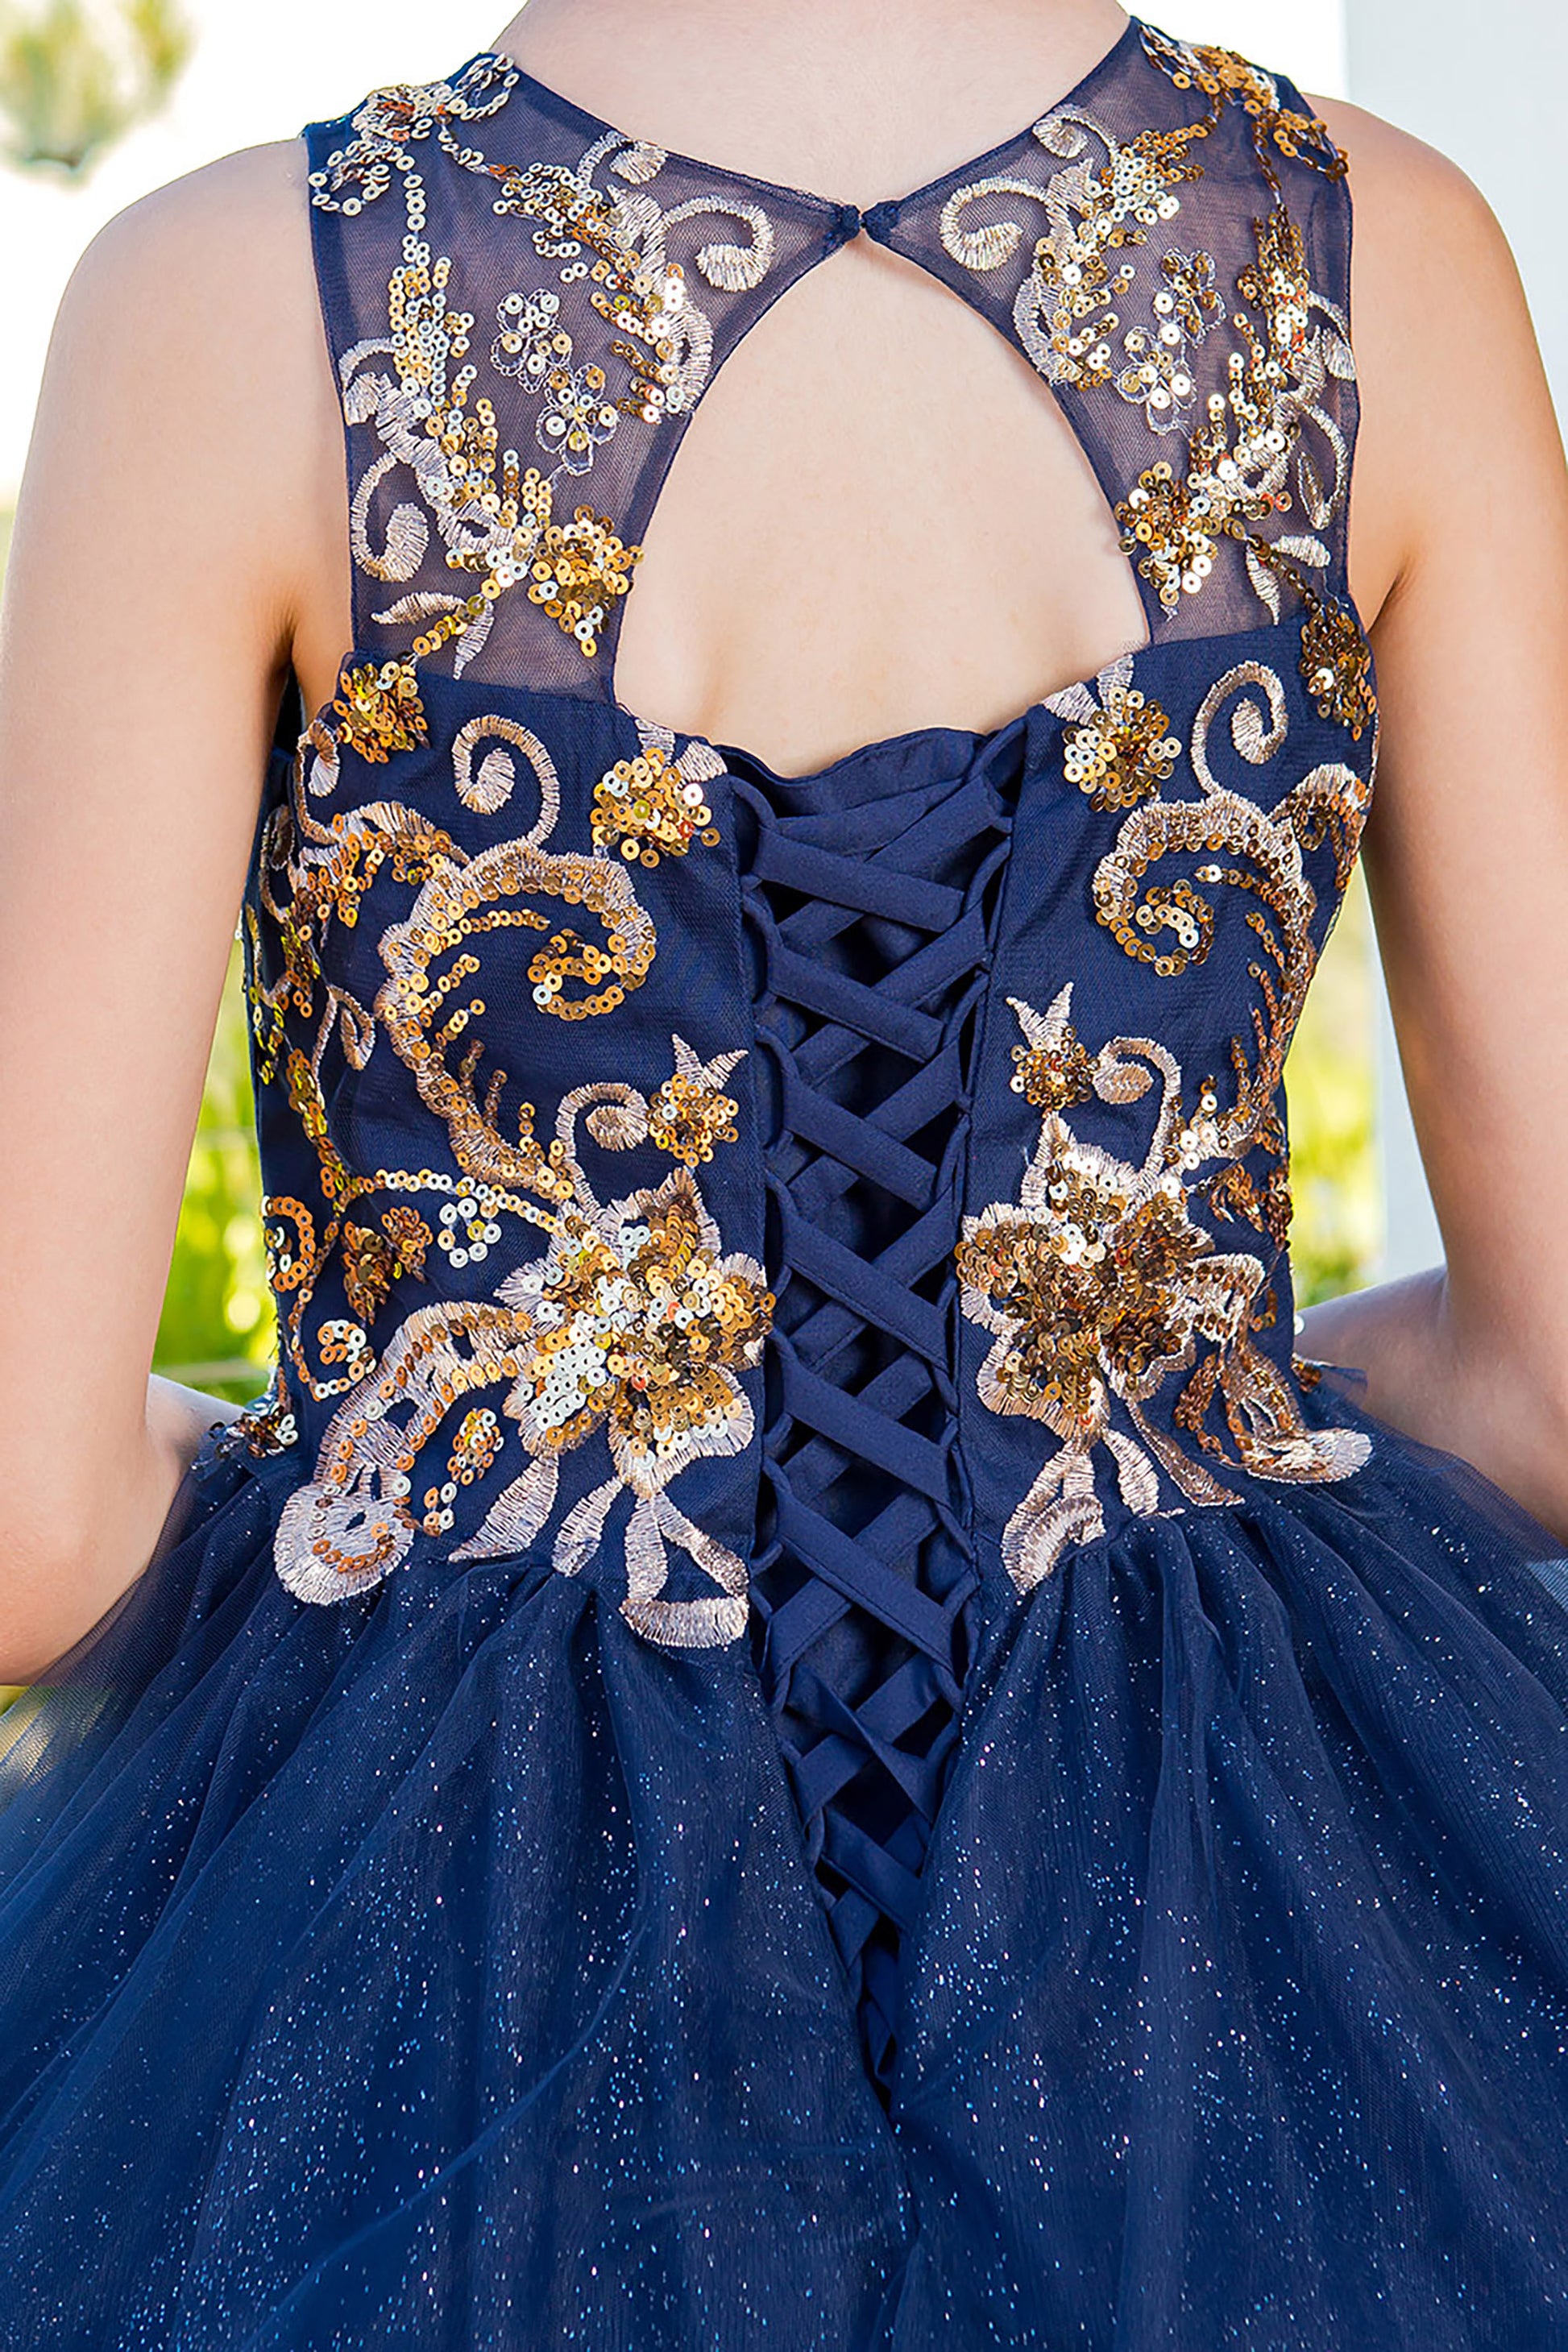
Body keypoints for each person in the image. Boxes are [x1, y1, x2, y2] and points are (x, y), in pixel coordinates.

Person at [2, 0, 1566, 2340]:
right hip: (1224, 1958)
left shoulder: (233, 295)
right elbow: (1555, 1390)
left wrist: (401, 1459)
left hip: (430, 1965)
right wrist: (1156, 1395)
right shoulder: (1369, 253)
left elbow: (17, 1524)